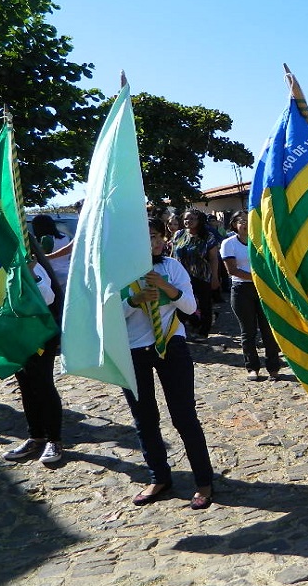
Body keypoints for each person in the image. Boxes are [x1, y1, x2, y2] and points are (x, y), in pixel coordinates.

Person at [120, 218, 214, 510]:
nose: (158, 242)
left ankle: (204, 481)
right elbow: (106, 315)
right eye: (150, 236)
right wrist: (133, 301)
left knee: (184, 416)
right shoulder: (120, 271)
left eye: (159, 236)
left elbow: (190, 307)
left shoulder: (171, 267)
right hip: (133, 350)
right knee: (144, 418)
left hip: (171, 344)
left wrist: (166, 287)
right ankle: (158, 477)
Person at [2, 262, 64, 464]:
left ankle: (54, 440)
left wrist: (30, 272)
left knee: (43, 383)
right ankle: (35, 436)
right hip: (15, 333)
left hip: (39, 333)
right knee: (26, 384)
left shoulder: (31, 264)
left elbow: (47, 297)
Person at [220, 210, 285, 381]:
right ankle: (252, 367)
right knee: (248, 332)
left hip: (264, 289)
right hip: (242, 289)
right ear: (234, 224)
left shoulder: (261, 240)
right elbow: (232, 270)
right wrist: (257, 279)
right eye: (241, 221)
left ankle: (273, 367)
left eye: (249, 220)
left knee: (268, 330)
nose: (245, 224)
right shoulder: (228, 243)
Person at [170, 209, 221, 342]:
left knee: (204, 304)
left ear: (199, 221)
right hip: (181, 276)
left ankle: (204, 331)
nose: (188, 221)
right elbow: (173, 253)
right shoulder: (179, 234)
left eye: (192, 219)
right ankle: (185, 329)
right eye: (186, 218)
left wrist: (215, 277)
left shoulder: (208, 236)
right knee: (181, 303)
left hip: (201, 275)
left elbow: (214, 258)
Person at [31, 214, 72, 288]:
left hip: (54, 274)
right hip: (67, 271)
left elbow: (41, 257)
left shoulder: (46, 239)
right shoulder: (65, 237)